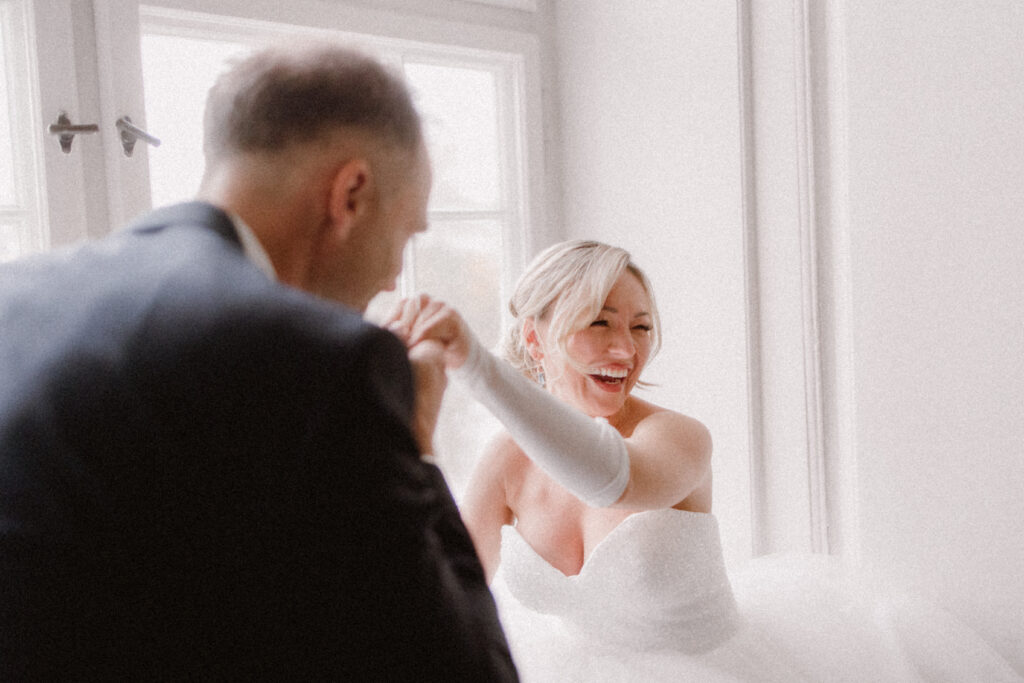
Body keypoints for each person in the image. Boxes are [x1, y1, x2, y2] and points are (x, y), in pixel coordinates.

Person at [0, 42, 517, 680]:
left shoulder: (13, 295)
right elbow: (464, 669)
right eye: (406, 234)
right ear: (350, 193)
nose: (391, 279)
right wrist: (417, 440)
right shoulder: (318, 360)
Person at [387, 239, 1021, 682]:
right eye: (601, 323)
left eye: (640, 326)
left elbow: (614, 481)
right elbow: (448, 582)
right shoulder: (504, 462)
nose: (625, 348)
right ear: (534, 337)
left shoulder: (679, 439)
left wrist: (476, 367)